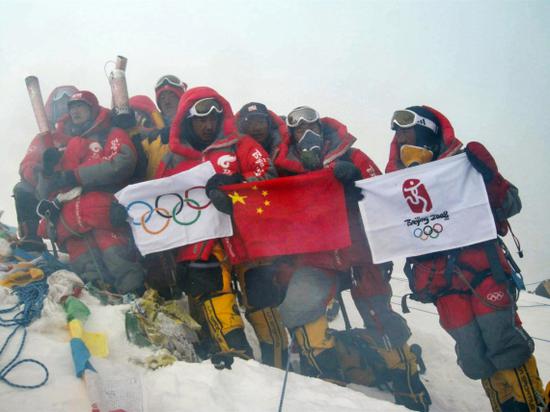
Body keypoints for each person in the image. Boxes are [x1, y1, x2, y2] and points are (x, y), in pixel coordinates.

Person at [386, 105, 547, 412]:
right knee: (474, 355)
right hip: (441, 283)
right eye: (397, 133)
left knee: (503, 343)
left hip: (482, 271)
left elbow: (511, 204)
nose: (400, 137)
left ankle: (531, 405)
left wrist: (489, 176)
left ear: (426, 131)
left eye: (407, 130)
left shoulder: (464, 164)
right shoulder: (392, 183)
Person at [274, 106, 431, 411]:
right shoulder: (285, 168)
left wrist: (357, 183)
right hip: (315, 257)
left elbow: (387, 195)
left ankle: (409, 388)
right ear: (290, 134)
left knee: (379, 315)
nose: (305, 131)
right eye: (296, 126)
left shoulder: (352, 156)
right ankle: (328, 385)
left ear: (321, 126)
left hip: (359, 252)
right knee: (300, 312)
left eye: (310, 123)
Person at [156, 87, 272, 359]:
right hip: (201, 246)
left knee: (263, 304)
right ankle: (238, 366)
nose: (208, 125)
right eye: (201, 120)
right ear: (187, 121)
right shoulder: (172, 158)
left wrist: (238, 186)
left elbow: (267, 175)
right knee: (218, 301)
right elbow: (159, 202)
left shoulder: (240, 145)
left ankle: (279, 369)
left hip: (246, 237)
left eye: (213, 118)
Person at [36, 90, 145, 295]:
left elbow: (123, 163)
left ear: (93, 109)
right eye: (72, 108)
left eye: (81, 106)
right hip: (71, 225)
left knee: (121, 266)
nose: (75, 111)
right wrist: (47, 171)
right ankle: (103, 313)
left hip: (105, 214)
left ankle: (139, 307)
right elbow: (45, 191)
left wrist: (76, 176)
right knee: (90, 278)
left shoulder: (110, 134)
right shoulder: (65, 146)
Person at [229, 102, 288, 368]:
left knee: (265, 299)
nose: (256, 128)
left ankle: (279, 362)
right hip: (239, 236)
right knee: (257, 299)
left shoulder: (286, 146)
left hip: (273, 236)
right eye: (251, 122)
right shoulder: (232, 147)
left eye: (261, 121)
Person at [13, 85, 78, 251]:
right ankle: (32, 236)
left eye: (67, 102)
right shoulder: (45, 138)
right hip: (49, 187)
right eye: (59, 104)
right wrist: (43, 169)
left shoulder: (86, 133)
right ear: (53, 110)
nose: (64, 107)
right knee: (22, 188)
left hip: (77, 184)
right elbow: (27, 165)